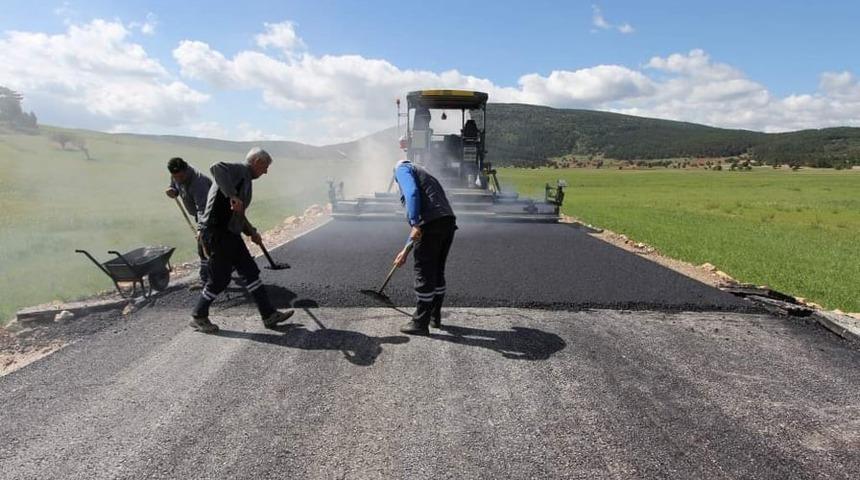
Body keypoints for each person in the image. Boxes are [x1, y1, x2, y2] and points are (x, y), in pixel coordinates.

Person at [189, 147, 293, 333]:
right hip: (216, 232)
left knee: (250, 272)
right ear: (256, 162)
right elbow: (216, 167)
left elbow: (238, 214)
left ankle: (268, 315)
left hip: (231, 234)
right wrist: (233, 196)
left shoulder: (245, 179)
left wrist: (251, 232)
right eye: (265, 167)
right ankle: (198, 315)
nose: (266, 172)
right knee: (220, 279)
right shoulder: (239, 170)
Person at [392, 157, 457, 335]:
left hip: (431, 224)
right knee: (437, 271)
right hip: (447, 222)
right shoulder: (425, 173)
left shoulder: (402, 169)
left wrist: (414, 221)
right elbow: (417, 231)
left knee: (424, 272)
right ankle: (435, 317)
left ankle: (420, 323)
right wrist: (405, 251)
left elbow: (412, 193)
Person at [165, 157, 213, 287]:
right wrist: (172, 191)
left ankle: (206, 279)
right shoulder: (176, 176)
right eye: (175, 177)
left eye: (180, 177)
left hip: (213, 214)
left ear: (186, 171)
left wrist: (200, 229)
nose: (178, 180)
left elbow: (203, 209)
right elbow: (174, 186)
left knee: (203, 246)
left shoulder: (199, 182)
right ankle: (229, 267)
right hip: (201, 216)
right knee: (211, 245)